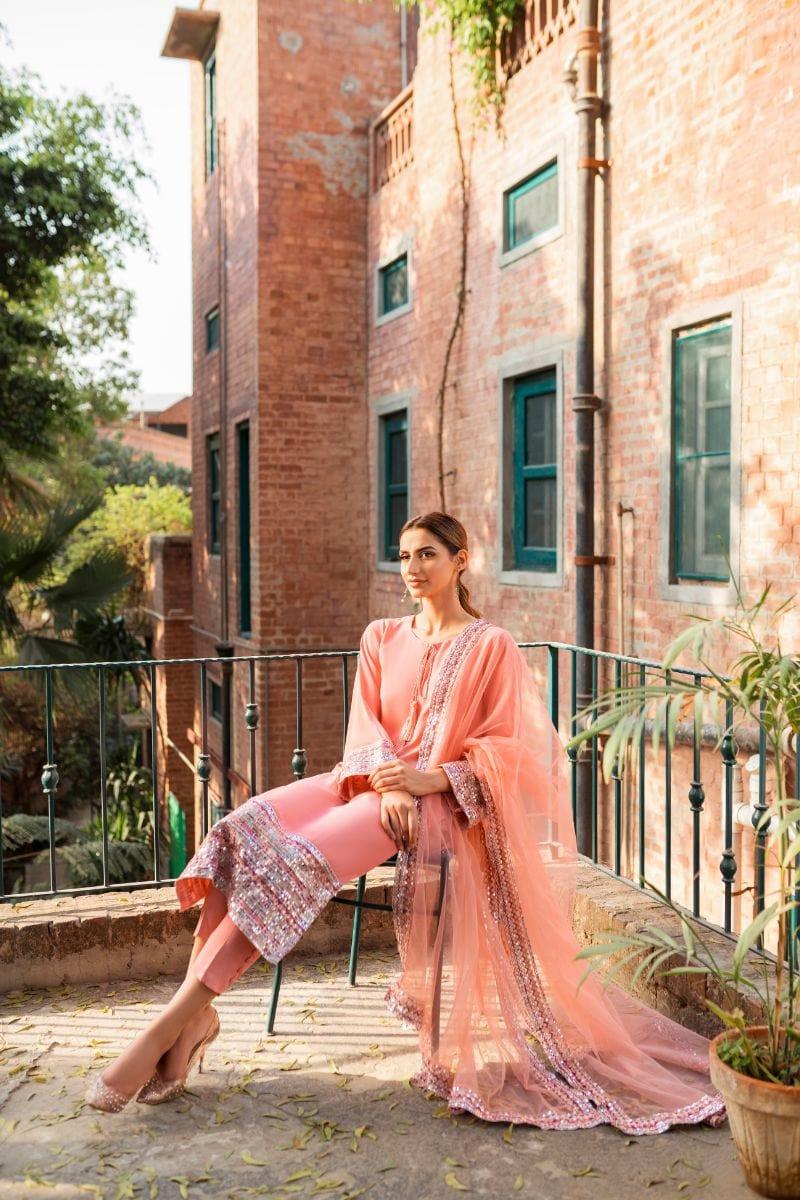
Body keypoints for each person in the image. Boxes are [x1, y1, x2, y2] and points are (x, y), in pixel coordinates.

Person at [86, 512, 726, 1133]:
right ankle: (194, 1023)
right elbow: (365, 726)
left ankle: (165, 1026)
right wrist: (385, 778)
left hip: (439, 805)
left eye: (428, 554)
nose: (413, 568)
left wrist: (431, 780)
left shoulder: (490, 646)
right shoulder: (380, 636)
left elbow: (514, 748)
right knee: (241, 827)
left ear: (460, 561)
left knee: (292, 865)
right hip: (365, 783)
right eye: (405, 555)